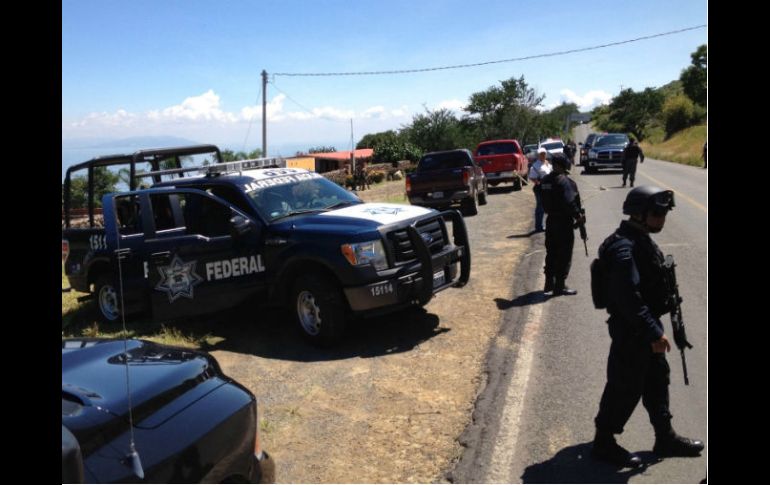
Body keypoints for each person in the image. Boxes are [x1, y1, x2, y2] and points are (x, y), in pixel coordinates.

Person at [591, 186, 704, 468]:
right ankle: (604, 441)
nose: (663, 218)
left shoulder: (640, 238)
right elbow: (626, 297)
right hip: (633, 329)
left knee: (657, 379)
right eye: (658, 213)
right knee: (625, 385)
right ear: (640, 214)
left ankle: (664, 436)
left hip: (646, 325)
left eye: (664, 212)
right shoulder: (623, 247)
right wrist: (652, 332)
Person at [539, 153, 584, 295]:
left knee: (551, 253)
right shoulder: (564, 181)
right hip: (563, 223)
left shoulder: (545, 180)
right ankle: (559, 286)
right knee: (564, 255)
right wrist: (578, 216)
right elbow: (570, 202)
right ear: (562, 165)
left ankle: (548, 283)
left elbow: (540, 195)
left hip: (550, 221)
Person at [528, 147, 552, 232]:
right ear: (538, 155)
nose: (543, 155)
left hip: (549, 188)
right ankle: (538, 226)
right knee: (540, 207)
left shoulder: (548, 164)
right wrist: (538, 183)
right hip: (540, 189)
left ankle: (549, 225)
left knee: (549, 206)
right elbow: (532, 177)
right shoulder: (535, 165)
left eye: (544, 154)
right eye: (541, 154)